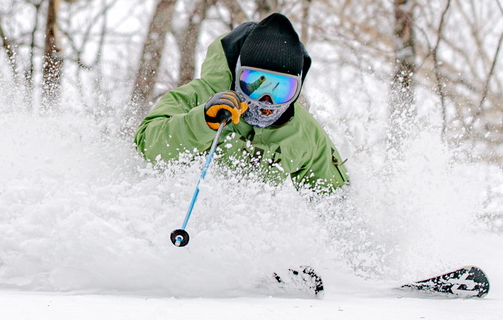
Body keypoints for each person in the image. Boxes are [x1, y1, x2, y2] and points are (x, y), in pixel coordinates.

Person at [134, 12, 348, 193]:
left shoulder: (303, 132)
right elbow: (148, 147)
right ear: (238, 75)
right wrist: (203, 121)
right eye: (256, 84)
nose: (267, 101)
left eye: (281, 89)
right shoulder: (199, 96)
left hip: (249, 234)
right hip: (177, 214)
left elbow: (334, 200)